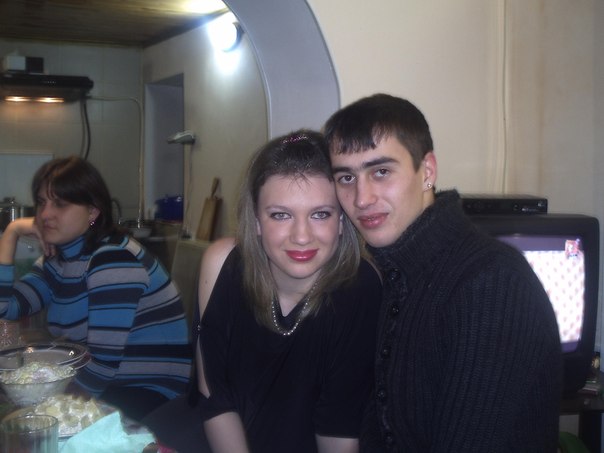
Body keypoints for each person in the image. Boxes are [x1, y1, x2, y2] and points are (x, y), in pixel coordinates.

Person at [323, 93, 562, 452]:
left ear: (428, 171)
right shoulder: (394, 274)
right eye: (345, 177)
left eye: (381, 172)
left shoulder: (490, 283)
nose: (361, 198)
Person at [193, 130, 381, 453]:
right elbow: (214, 394)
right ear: (256, 220)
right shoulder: (221, 264)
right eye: (281, 215)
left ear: (341, 221)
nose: (302, 236)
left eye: (320, 214)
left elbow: (339, 433)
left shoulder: (361, 290)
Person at [0, 156, 192, 422]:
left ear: (92, 212)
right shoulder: (58, 261)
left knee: (31, 422)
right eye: (42, 202)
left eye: (60, 204)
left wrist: (48, 409)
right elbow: (6, 308)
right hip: (110, 385)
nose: (44, 214)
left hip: (149, 394)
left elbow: (102, 366)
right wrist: (11, 233)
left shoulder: (112, 258)